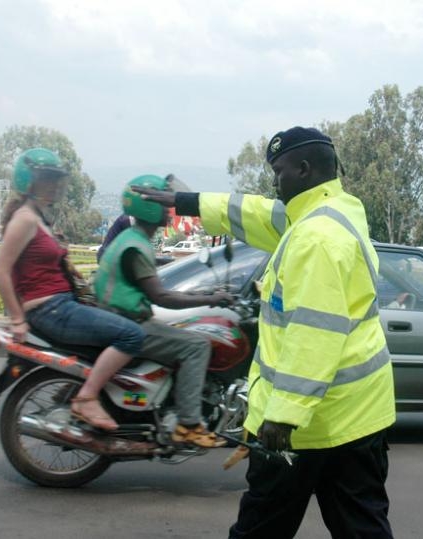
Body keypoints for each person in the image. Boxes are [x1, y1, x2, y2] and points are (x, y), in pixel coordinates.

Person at [133, 126, 396, 538]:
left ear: (304, 170)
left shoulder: (315, 239)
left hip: (307, 426)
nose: (275, 183)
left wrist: (283, 416)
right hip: (355, 417)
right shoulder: (334, 211)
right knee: (362, 526)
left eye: (280, 172)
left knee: (261, 528)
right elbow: (253, 212)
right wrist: (186, 202)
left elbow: (314, 335)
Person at [0, 147, 146, 432]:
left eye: (55, 180)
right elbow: (0, 270)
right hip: (50, 309)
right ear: (29, 181)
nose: (53, 186)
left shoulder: (39, 218)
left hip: (60, 304)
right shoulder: (25, 219)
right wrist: (17, 319)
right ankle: (86, 398)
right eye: (46, 179)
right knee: (131, 335)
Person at [94, 174, 232, 448]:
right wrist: (211, 299)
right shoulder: (136, 245)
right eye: (163, 203)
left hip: (119, 319)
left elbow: (160, 291)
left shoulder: (131, 238)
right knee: (196, 346)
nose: (169, 209)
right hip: (128, 324)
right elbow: (162, 297)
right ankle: (189, 424)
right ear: (149, 207)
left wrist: (204, 295)